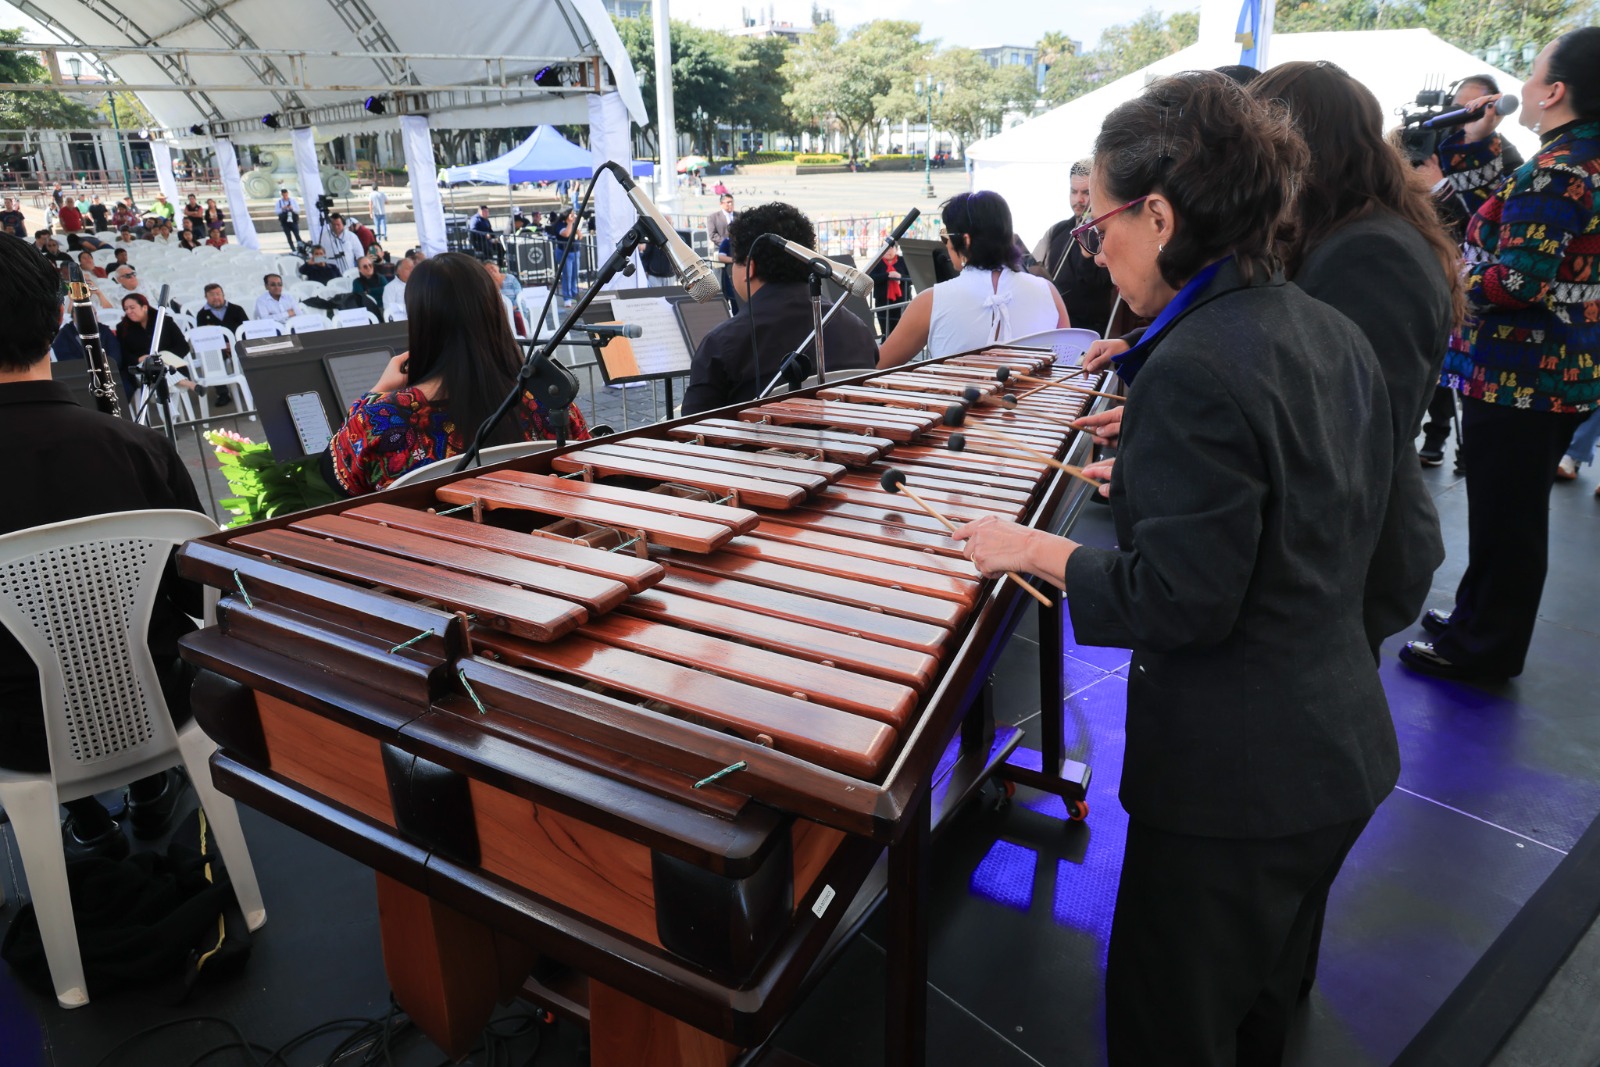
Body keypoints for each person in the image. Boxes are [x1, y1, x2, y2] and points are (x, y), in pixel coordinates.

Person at [953, 71, 1397, 1066]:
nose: (1093, 248)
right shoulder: (1320, 323)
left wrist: (1034, 547)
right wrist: (1152, 464)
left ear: (1156, 213)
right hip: (1337, 749)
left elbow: (1179, 600)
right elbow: (1337, 512)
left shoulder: (1194, 362)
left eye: (1096, 224)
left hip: (1233, 786)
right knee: (1259, 1013)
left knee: (1170, 1029)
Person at [1249, 61, 1462, 658]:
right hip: (1339, 547)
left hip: (1348, 557)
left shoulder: (1370, 252)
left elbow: (1350, 438)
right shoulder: (1347, 233)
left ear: (1298, 147)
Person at [1405, 28, 1600, 680]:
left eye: (1534, 72)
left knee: (1507, 519)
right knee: (1506, 512)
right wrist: (1477, 141)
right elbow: (1498, 207)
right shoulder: (1576, 159)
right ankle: (1474, 618)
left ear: (1555, 90)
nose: (1521, 88)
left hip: (1524, 375)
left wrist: (1458, 280)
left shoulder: (1556, 172)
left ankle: (1483, 648)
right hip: (1555, 374)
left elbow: (1518, 280)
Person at [0, 234, 195, 860]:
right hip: (157, 701)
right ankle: (149, 787)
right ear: (59, 318)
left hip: (16, 738)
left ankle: (81, 813)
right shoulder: (140, 449)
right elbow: (196, 588)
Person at [326, 251, 590, 495]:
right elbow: (586, 466)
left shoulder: (377, 420)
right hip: (541, 541)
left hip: (424, 545)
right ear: (494, 312)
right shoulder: (548, 401)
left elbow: (335, 479)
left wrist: (377, 392)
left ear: (420, 321)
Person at [1419, 73, 1530, 467]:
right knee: (1434, 364)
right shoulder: (1429, 139)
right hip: (1427, 265)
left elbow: (1487, 226)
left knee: (1459, 368)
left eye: (1471, 107)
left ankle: (1458, 446)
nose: (1460, 114)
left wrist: (1438, 187)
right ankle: (1431, 439)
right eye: (1456, 105)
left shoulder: (1505, 157)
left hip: (1471, 278)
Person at [681, 201, 878, 416]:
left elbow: (690, 431)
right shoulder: (859, 330)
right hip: (848, 446)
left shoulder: (722, 343)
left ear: (750, 267)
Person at [877, 190, 1069, 367]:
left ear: (966, 240)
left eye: (946, 235)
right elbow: (1066, 361)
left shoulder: (930, 301)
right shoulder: (1048, 292)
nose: (946, 244)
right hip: (1037, 403)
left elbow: (876, 367)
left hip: (954, 404)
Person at [1030, 159, 1119, 338]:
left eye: (1086, 193)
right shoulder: (1057, 230)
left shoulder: (1106, 232)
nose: (1079, 200)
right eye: (1073, 191)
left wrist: (1087, 258)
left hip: (1088, 333)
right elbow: (1032, 264)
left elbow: (1103, 284)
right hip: (1051, 327)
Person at [113, 293, 193, 400]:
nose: (128, 312)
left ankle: (172, 413)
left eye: (132, 308)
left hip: (171, 366)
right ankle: (187, 383)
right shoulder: (123, 328)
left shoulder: (164, 321)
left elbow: (183, 346)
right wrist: (138, 359)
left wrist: (165, 357)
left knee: (159, 367)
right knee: (153, 367)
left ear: (144, 307)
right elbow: (123, 353)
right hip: (141, 370)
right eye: (126, 309)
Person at [866, 242, 911, 336]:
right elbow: (869, 277)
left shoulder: (904, 261)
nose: (887, 251)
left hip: (901, 302)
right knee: (885, 330)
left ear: (896, 249)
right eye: (885, 248)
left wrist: (900, 276)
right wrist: (888, 275)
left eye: (890, 248)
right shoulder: (877, 262)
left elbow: (913, 278)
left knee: (900, 329)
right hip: (882, 301)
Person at [708, 193, 738, 311]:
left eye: (732, 202)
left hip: (735, 253)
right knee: (721, 285)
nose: (730, 205)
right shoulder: (713, 217)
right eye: (728, 202)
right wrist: (726, 243)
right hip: (720, 254)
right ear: (722, 204)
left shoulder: (739, 216)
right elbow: (712, 235)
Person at [547, 209, 582, 306]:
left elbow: (580, 237)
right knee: (567, 275)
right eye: (571, 215)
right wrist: (570, 223)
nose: (574, 216)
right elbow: (566, 234)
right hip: (565, 253)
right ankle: (567, 297)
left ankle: (575, 294)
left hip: (575, 252)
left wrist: (576, 226)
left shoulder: (573, 224)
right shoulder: (560, 225)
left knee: (575, 275)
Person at [382, 255, 413, 320]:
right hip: (400, 322)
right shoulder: (390, 287)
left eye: (412, 268)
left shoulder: (418, 285)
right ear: (398, 271)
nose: (411, 271)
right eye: (408, 269)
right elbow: (388, 311)